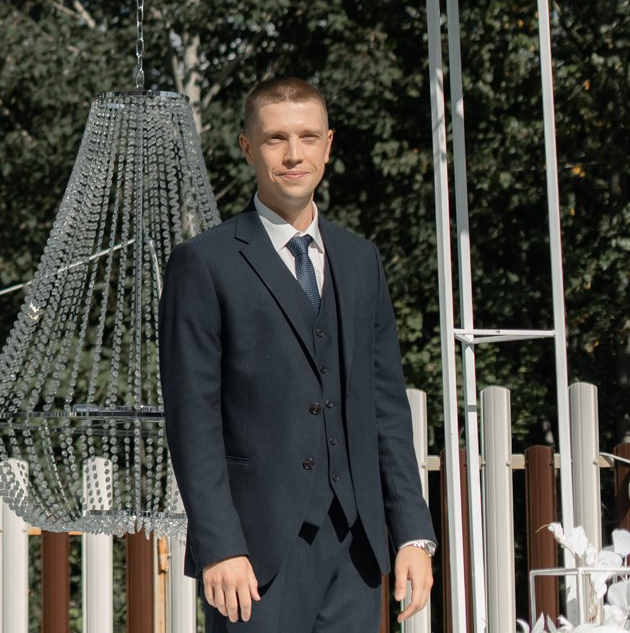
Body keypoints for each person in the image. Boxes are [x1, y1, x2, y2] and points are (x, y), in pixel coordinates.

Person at [159, 76, 436, 631]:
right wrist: (218, 545)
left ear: (328, 145)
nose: (293, 155)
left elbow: (385, 408)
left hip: (357, 553)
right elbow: (193, 420)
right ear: (246, 147)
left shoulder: (362, 260)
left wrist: (412, 532)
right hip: (254, 557)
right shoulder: (204, 263)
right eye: (275, 139)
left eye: (307, 137)